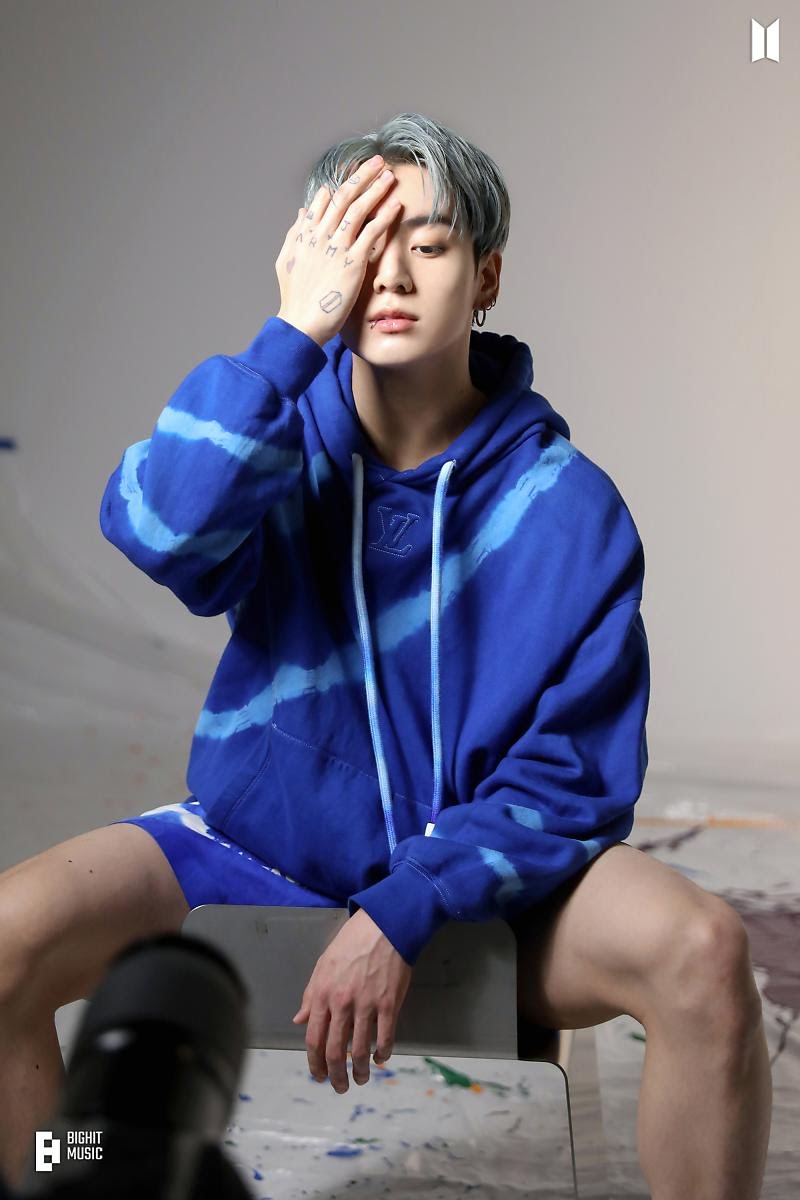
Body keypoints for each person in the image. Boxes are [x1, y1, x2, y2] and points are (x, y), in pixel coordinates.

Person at [0, 112, 770, 1198]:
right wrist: (289, 333)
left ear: (486, 275)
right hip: (257, 848)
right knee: (4, 946)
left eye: (430, 243)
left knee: (703, 952)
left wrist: (406, 906)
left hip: (481, 891)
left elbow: (572, 780)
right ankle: (75, 1169)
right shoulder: (273, 439)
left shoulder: (563, 507)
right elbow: (161, 531)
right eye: (359, 244)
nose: (390, 274)